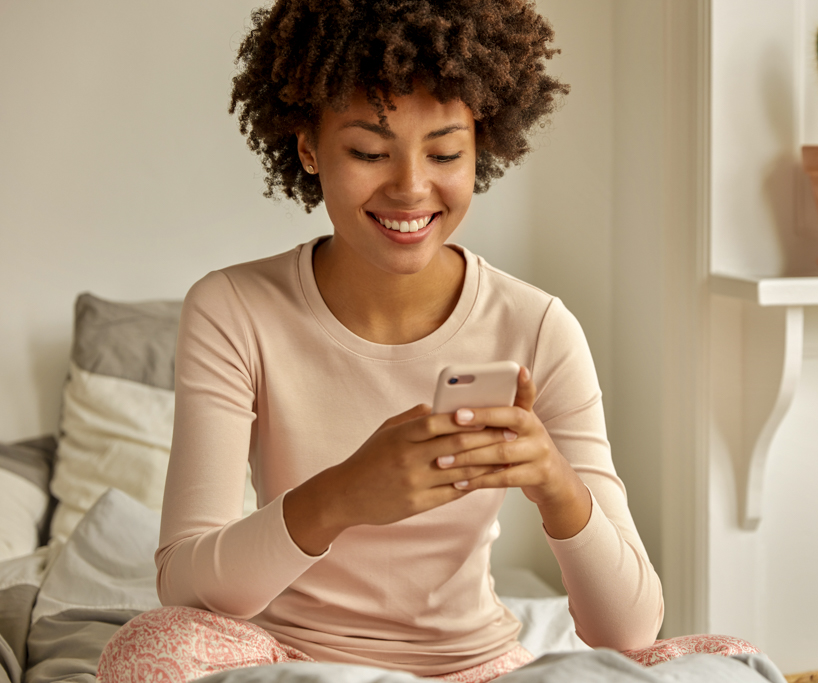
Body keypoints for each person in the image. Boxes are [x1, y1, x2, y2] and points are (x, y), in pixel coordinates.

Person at [97, 1, 757, 682]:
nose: (411, 188)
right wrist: (344, 495)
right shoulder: (234, 308)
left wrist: (553, 482)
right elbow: (184, 585)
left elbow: (628, 629)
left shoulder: (537, 325)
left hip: (477, 668)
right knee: (149, 651)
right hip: (290, 664)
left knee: (727, 665)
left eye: (445, 152)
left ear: (482, 145)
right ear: (307, 147)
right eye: (369, 152)